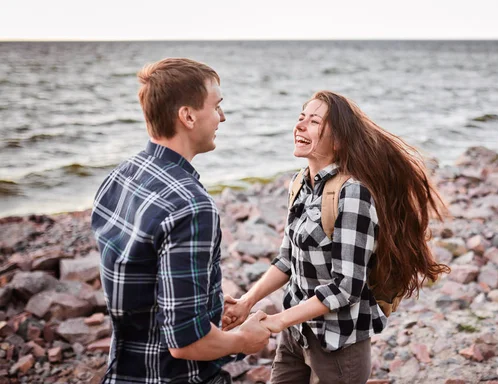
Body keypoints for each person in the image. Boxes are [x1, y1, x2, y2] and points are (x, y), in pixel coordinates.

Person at [222, 91, 450, 384]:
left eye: (314, 121)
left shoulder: (353, 193)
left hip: (338, 345)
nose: (300, 126)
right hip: (296, 335)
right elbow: (286, 260)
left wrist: (278, 320)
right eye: (300, 118)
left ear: (338, 140)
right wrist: (246, 301)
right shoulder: (298, 184)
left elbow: (347, 287)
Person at [91, 58, 270, 384]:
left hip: (124, 371)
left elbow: (140, 279)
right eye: (217, 106)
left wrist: (208, 305)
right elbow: (186, 343)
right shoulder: (191, 206)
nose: (222, 117)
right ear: (187, 116)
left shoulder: (121, 176)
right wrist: (246, 341)